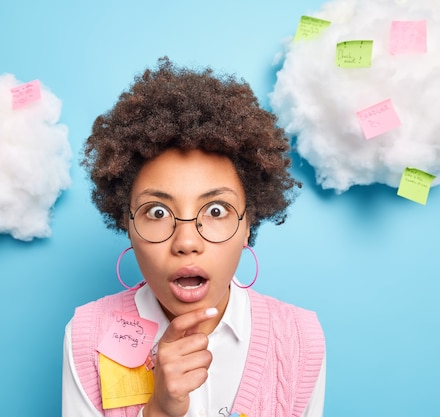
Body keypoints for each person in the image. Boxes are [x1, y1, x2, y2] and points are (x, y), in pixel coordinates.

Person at [62, 57, 325, 417]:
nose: (186, 241)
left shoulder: (301, 338)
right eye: (157, 212)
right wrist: (158, 412)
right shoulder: (86, 334)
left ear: (249, 221)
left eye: (216, 210)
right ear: (127, 223)